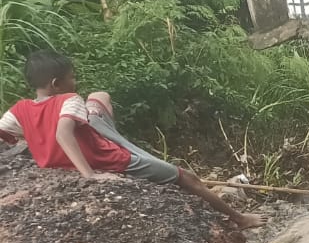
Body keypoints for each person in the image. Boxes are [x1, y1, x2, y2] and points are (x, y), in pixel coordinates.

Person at [0, 50, 265, 231]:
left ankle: (106, 131)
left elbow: (12, 132)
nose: (75, 81)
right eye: (72, 77)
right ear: (56, 83)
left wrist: (36, 139)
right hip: (109, 157)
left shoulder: (20, 109)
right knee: (189, 178)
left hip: (70, 149)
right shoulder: (68, 100)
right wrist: (89, 175)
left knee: (99, 96)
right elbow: (62, 133)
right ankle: (239, 219)